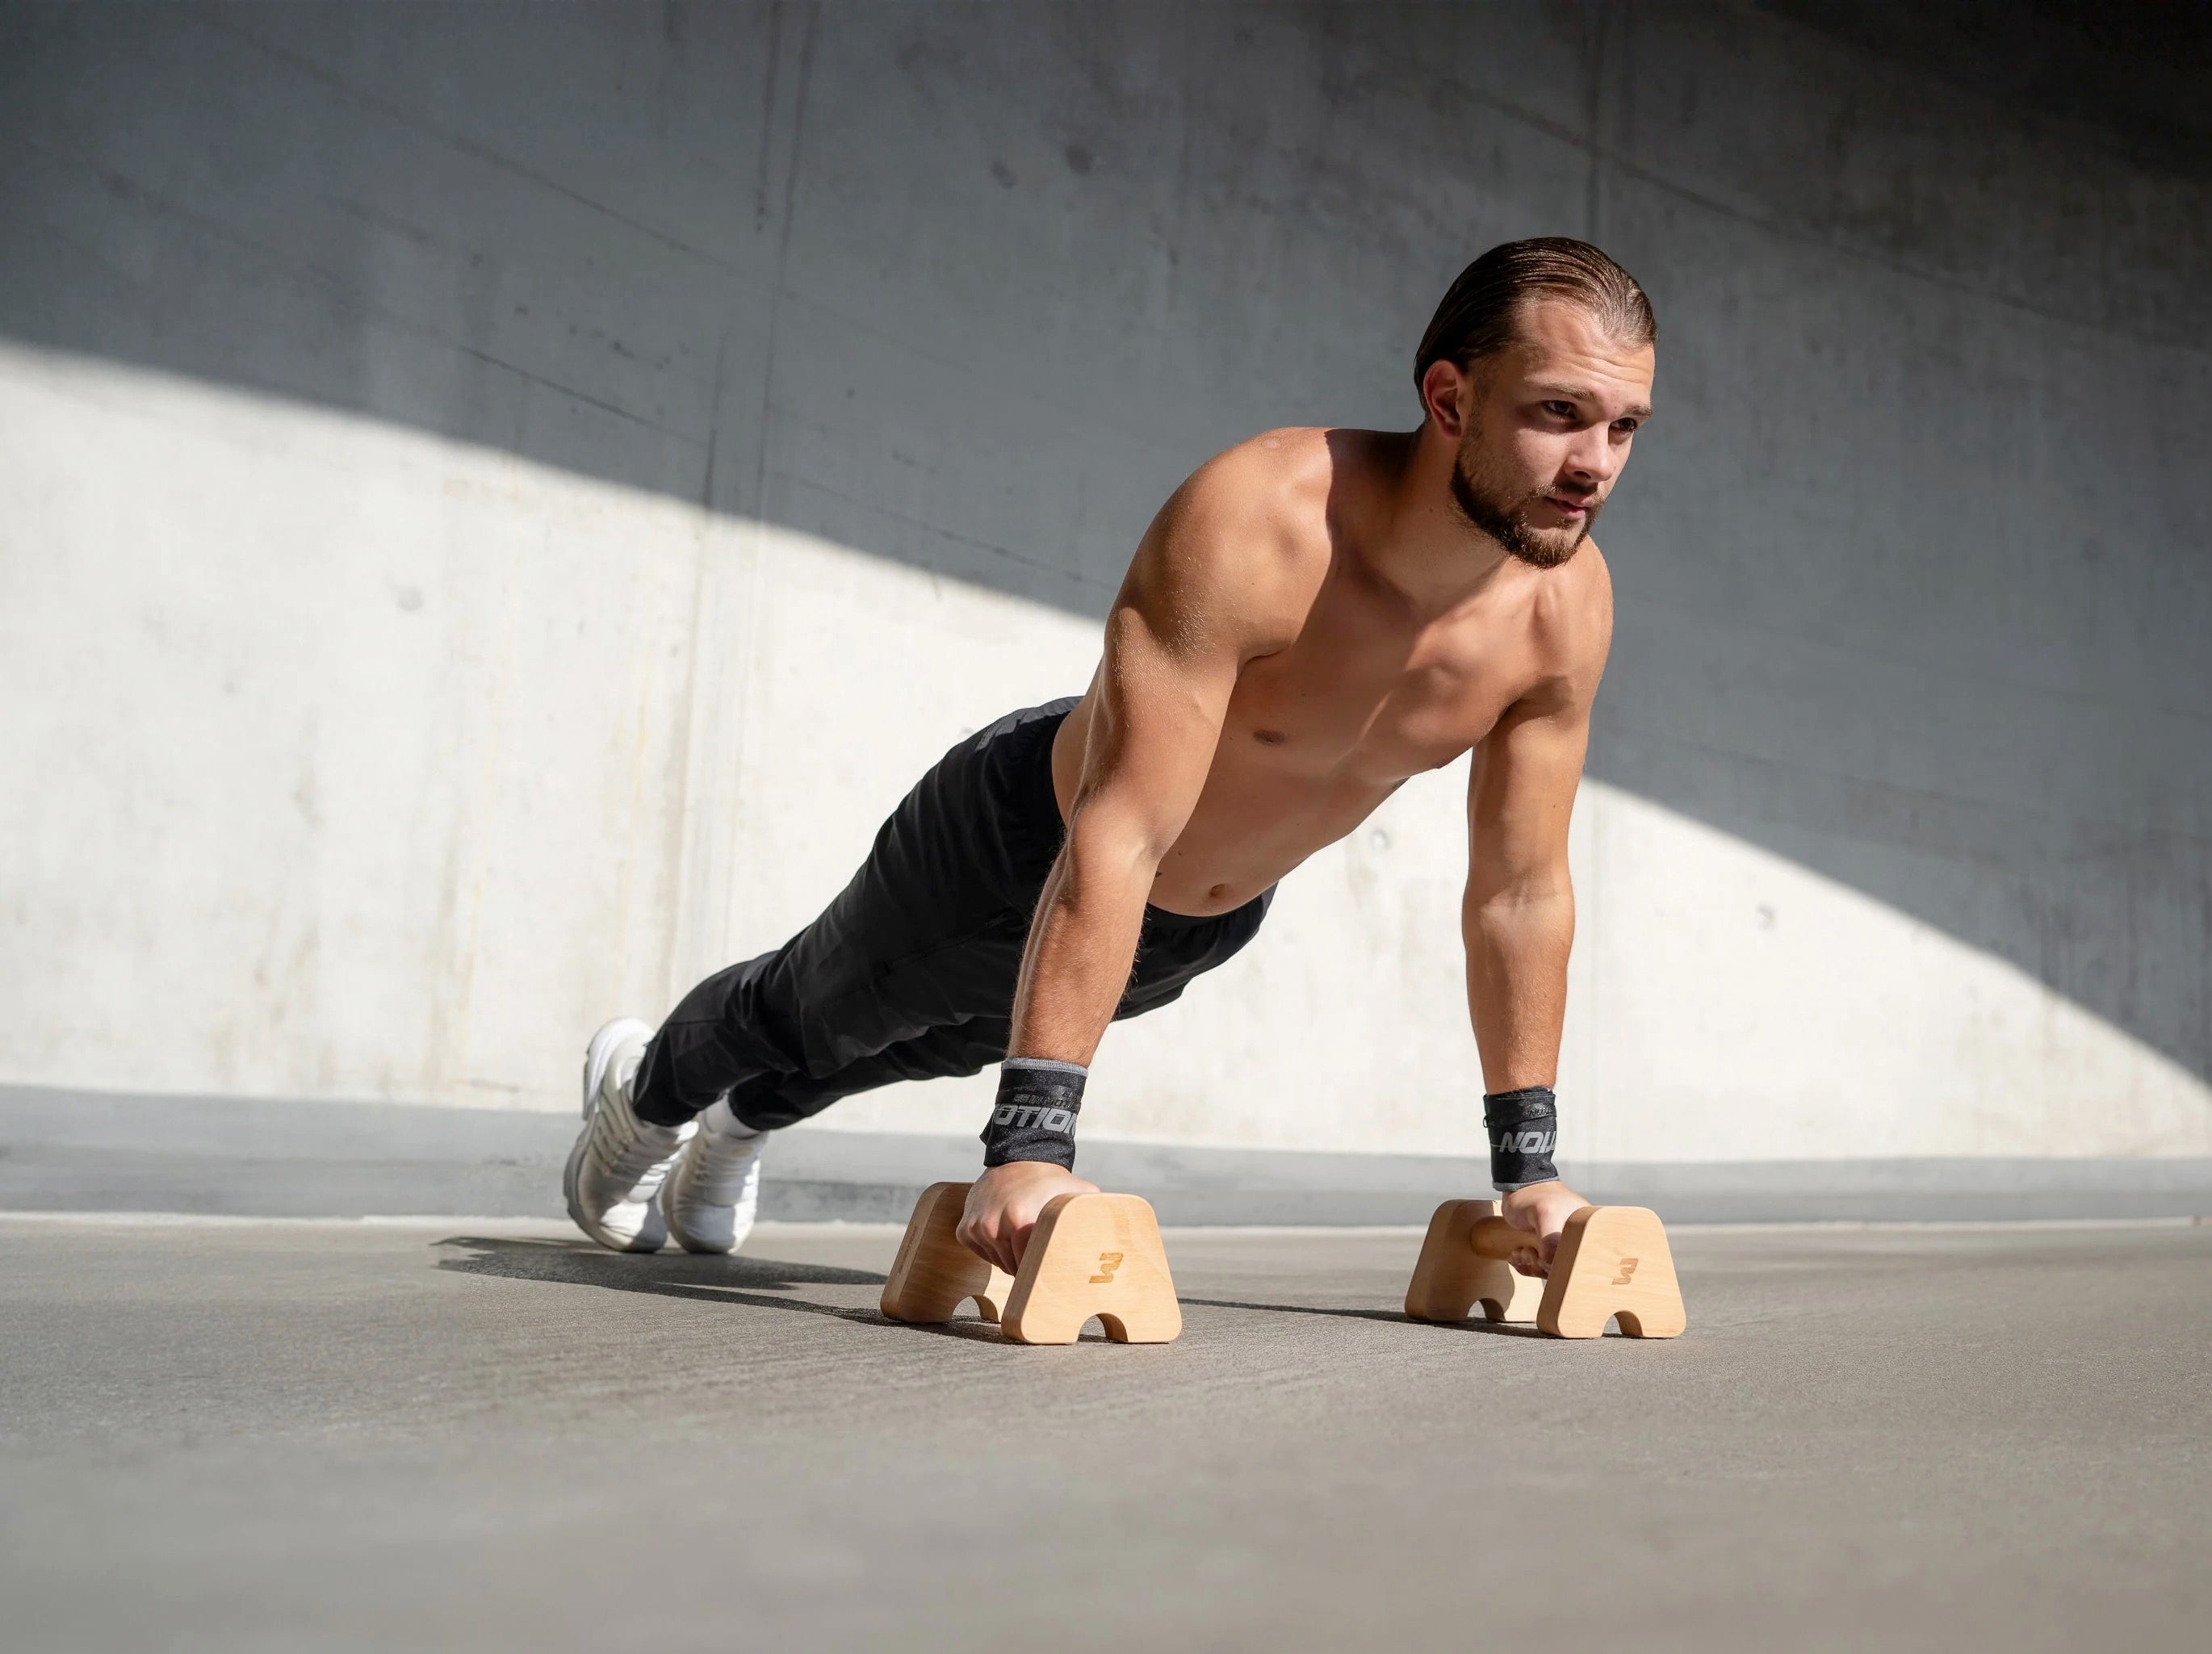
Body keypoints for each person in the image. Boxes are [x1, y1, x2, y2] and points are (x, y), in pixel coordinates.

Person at [563, 237, 1656, 1280]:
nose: (1593, 466)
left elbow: (1520, 892)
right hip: (1019, 843)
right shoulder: (1264, 521)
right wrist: (1031, 1144)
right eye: (1558, 413)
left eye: (1623, 428)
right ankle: (643, 1099)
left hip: (1191, 928)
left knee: (920, 1047)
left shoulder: (1566, 610)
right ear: (1450, 397)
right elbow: (1122, 824)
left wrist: (1529, 1169)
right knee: (816, 1009)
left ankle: (737, 1128)